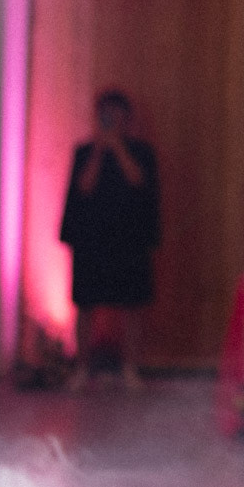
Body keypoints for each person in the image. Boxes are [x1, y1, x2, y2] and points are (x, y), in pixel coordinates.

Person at [59, 89, 161, 391]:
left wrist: (117, 147)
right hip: (91, 238)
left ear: (127, 119)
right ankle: (81, 368)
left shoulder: (141, 151)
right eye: (106, 114)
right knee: (85, 304)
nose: (111, 120)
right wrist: (100, 150)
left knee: (133, 305)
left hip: (130, 238)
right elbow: (83, 187)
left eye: (117, 115)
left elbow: (138, 181)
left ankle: (130, 368)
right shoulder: (85, 151)